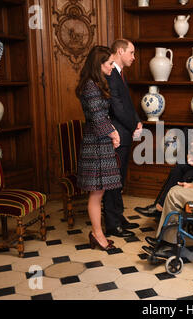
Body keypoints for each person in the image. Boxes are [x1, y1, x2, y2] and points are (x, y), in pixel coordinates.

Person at [75, 45, 121, 251]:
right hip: (95, 146)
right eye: (110, 63)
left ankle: (97, 233)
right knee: (96, 193)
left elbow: (103, 117)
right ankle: (97, 234)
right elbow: (97, 118)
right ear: (99, 64)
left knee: (99, 192)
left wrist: (112, 133)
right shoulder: (90, 86)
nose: (112, 66)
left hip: (100, 144)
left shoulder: (94, 84)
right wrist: (114, 133)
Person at [103, 39, 142, 238]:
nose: (134, 57)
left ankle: (118, 217)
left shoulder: (119, 74)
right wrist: (133, 125)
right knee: (113, 181)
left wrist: (138, 120)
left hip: (125, 134)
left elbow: (127, 103)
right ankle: (111, 224)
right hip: (116, 136)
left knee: (120, 180)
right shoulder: (110, 74)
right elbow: (116, 107)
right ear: (120, 51)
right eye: (132, 53)